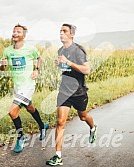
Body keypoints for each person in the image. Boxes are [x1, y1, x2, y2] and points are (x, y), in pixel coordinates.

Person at [46, 23, 97, 166]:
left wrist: (68, 62)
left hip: (79, 92)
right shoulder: (60, 50)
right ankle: (58, 156)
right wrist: (60, 64)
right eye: (60, 31)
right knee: (60, 122)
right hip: (64, 91)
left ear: (72, 34)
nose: (61, 33)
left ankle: (93, 128)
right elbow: (66, 68)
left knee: (83, 116)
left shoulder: (78, 50)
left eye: (64, 31)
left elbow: (86, 70)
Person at [0, 24, 49, 153]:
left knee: (12, 112)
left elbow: (39, 58)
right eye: (14, 31)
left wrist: (37, 70)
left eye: (18, 31)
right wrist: (2, 65)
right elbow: (1, 67)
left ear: (23, 35)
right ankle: (43, 126)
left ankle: (21, 138)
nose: (15, 33)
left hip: (28, 85)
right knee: (29, 107)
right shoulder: (7, 50)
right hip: (18, 86)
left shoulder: (30, 49)